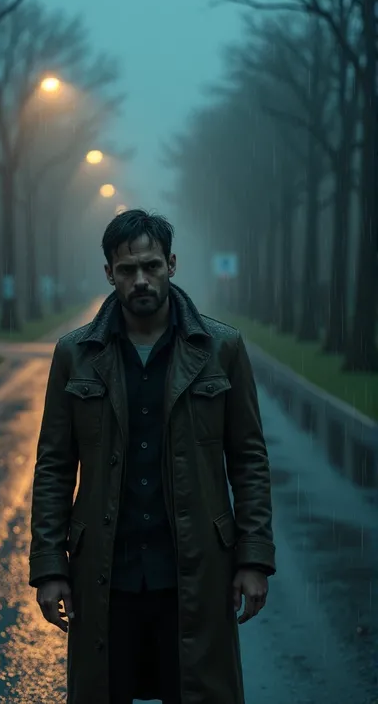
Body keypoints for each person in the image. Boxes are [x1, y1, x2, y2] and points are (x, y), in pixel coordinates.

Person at [29, 209, 276, 704]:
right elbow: (54, 468)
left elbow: (247, 460)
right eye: (126, 269)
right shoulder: (74, 354)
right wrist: (50, 566)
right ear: (109, 274)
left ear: (172, 265)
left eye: (151, 266)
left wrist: (254, 558)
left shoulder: (220, 348)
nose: (140, 280)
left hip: (195, 575)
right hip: (106, 578)